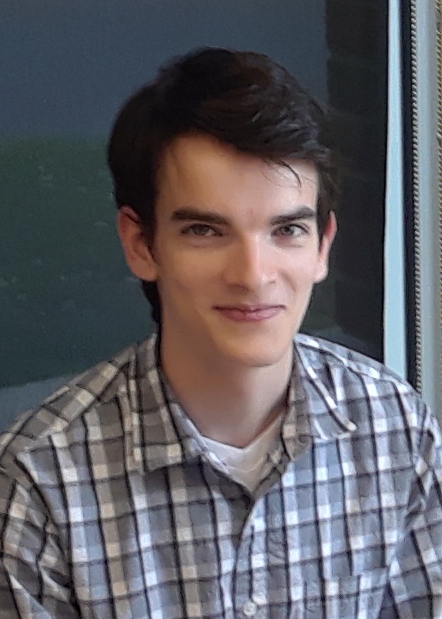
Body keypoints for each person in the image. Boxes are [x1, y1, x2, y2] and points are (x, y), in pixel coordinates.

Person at [0, 47, 441, 619]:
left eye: (287, 230)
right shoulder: (38, 480)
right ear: (141, 244)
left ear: (323, 247)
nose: (253, 275)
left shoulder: (396, 429)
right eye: (206, 230)